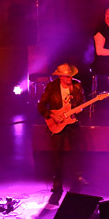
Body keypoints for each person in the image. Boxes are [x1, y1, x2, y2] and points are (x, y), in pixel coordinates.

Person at [37, 63, 86, 205]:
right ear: (60, 76)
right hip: (57, 123)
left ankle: (78, 177)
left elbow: (82, 102)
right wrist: (51, 115)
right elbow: (41, 105)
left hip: (72, 121)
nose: (70, 78)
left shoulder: (77, 86)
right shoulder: (52, 87)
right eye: (67, 76)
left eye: (71, 76)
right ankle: (57, 182)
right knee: (57, 152)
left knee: (76, 150)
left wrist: (79, 110)